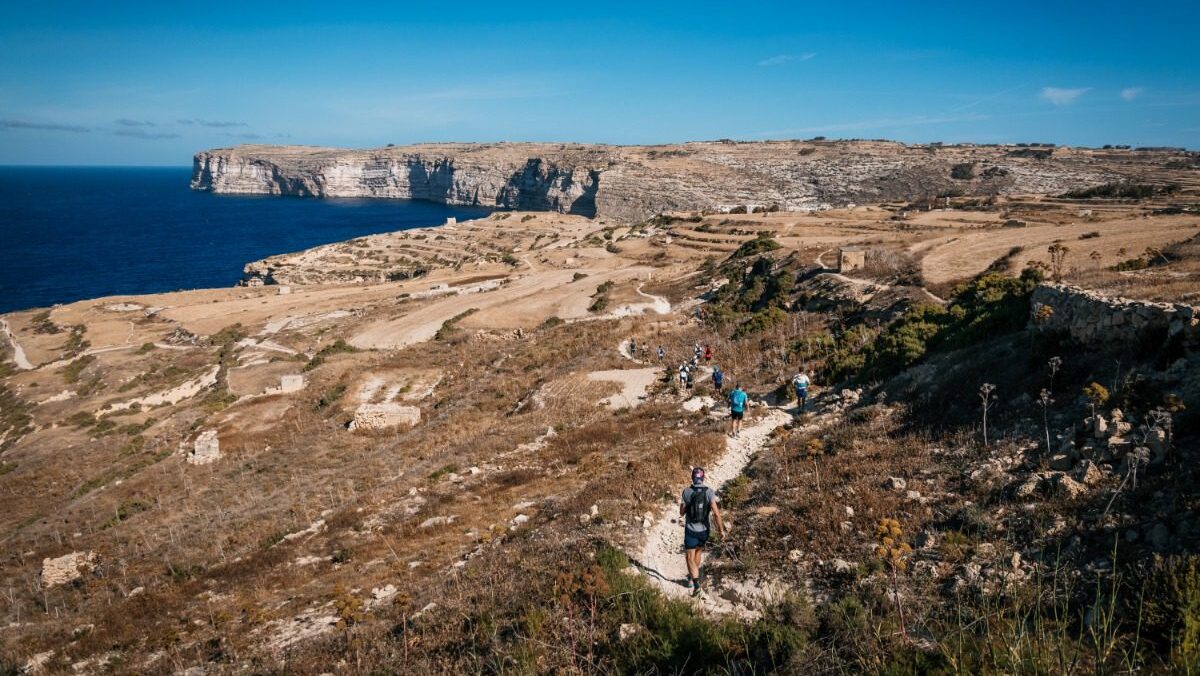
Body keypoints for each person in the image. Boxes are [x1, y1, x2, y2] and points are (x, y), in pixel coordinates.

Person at [680, 467, 727, 597]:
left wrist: (686, 505)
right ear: (703, 477)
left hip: (690, 530)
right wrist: (721, 530)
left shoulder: (687, 491)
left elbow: (681, 512)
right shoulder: (709, 492)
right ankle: (692, 576)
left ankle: (695, 585)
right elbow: (716, 514)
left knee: (689, 556)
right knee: (698, 551)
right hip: (704, 531)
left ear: (692, 477)